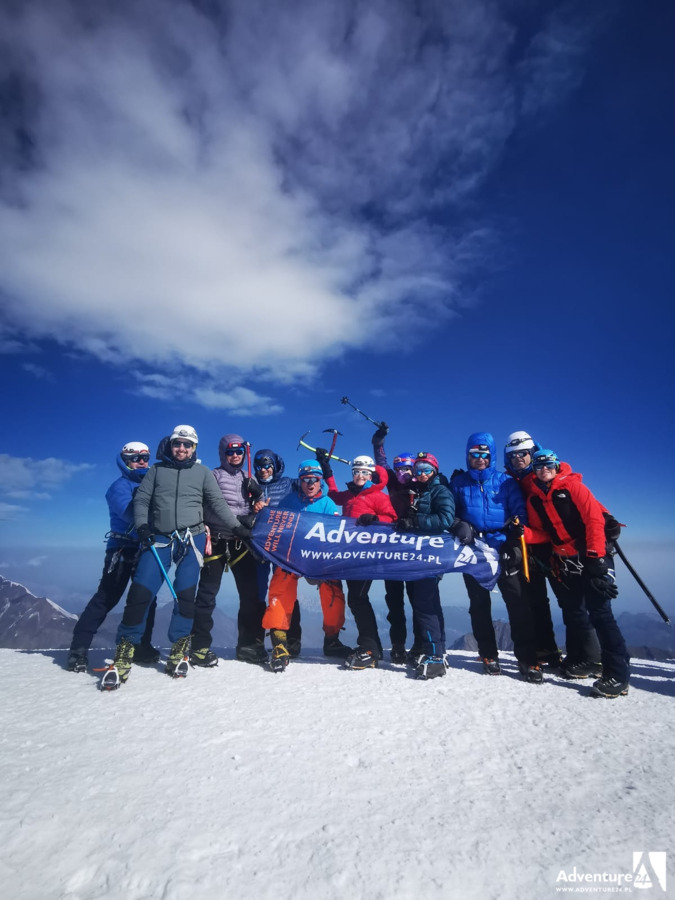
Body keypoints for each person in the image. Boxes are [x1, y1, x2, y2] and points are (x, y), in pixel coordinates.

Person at [102, 425, 250, 688]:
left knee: (185, 595)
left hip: (192, 538)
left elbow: (217, 503)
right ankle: (126, 648)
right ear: (170, 446)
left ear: (194, 448)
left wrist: (237, 528)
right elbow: (142, 500)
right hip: (159, 538)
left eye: (187, 444)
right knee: (140, 593)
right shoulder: (157, 471)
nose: (182, 448)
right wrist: (142, 526)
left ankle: (179, 647)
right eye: (177, 444)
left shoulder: (202, 473)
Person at [520, 450, 630, 698]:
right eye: (539, 466)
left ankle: (618, 674)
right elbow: (544, 534)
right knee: (575, 611)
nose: (544, 469)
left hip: (591, 557)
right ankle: (588, 661)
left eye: (548, 464)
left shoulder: (574, 487)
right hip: (566, 561)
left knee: (601, 613)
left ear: (557, 466)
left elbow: (594, 521)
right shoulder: (535, 499)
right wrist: (524, 533)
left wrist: (597, 559)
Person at [504, 431, 602, 675]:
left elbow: (585, 504)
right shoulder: (513, 480)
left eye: (523, 453)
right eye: (513, 455)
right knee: (537, 600)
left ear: (533, 452)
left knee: (570, 602)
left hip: (557, 549)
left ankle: (587, 656)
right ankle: (550, 650)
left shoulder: (548, 476)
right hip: (531, 545)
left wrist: (606, 518)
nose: (518, 458)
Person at [450, 432, 543, 683]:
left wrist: (514, 541)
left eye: (485, 454)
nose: (480, 459)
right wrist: (458, 524)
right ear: (468, 456)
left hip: (503, 546)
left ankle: (527, 659)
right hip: (474, 549)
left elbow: (520, 513)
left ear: (491, 456)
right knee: (479, 604)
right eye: (475, 454)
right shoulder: (458, 483)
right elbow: (450, 512)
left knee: (518, 602)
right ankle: (488, 655)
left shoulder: (506, 482)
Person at [67, 441, 159, 672]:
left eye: (145, 458)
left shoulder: (151, 484)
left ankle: (141, 646)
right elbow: (131, 514)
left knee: (146, 598)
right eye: (135, 458)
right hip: (123, 548)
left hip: (144, 547)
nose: (141, 462)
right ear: (125, 461)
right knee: (107, 597)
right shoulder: (119, 487)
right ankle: (78, 651)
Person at [262, 460, 352, 670]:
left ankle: (332, 640)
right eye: (305, 480)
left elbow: (335, 533)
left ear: (320, 481)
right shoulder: (289, 501)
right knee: (280, 588)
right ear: (300, 481)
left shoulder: (328, 504)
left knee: (333, 590)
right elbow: (276, 526)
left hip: (319, 557)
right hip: (292, 556)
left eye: (315, 479)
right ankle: (279, 643)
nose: (310, 484)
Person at [318, 450, 397, 670]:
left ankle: (370, 649)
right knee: (357, 599)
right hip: (349, 554)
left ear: (371, 475)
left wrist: (375, 518)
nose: (360, 476)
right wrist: (326, 469)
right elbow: (334, 495)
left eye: (364, 472)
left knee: (358, 598)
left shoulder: (378, 496)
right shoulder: (350, 495)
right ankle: (373, 647)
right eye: (356, 472)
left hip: (367, 556)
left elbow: (392, 518)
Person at [192, 434, 266, 667]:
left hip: (240, 543)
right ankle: (199, 646)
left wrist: (259, 496)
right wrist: (240, 520)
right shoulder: (213, 476)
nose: (235, 456)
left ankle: (247, 646)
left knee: (250, 596)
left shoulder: (247, 477)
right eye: (230, 452)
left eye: (239, 452)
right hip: (216, 540)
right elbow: (209, 509)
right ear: (222, 453)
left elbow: (258, 508)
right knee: (207, 596)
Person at [396, 451, 455, 679]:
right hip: (418, 555)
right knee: (428, 602)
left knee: (424, 603)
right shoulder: (420, 491)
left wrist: (415, 522)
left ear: (435, 471)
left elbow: (446, 519)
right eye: (418, 470)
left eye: (426, 470)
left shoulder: (440, 491)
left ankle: (435, 656)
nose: (422, 474)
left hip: (431, 555)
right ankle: (439, 651)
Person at [371, 422, 419, 663]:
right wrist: (379, 441)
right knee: (394, 601)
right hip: (392, 550)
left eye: (407, 468)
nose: (403, 473)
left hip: (416, 552)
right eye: (399, 468)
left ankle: (420, 645)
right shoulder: (391, 481)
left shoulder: (421, 486)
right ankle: (398, 645)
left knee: (419, 600)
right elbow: (381, 462)